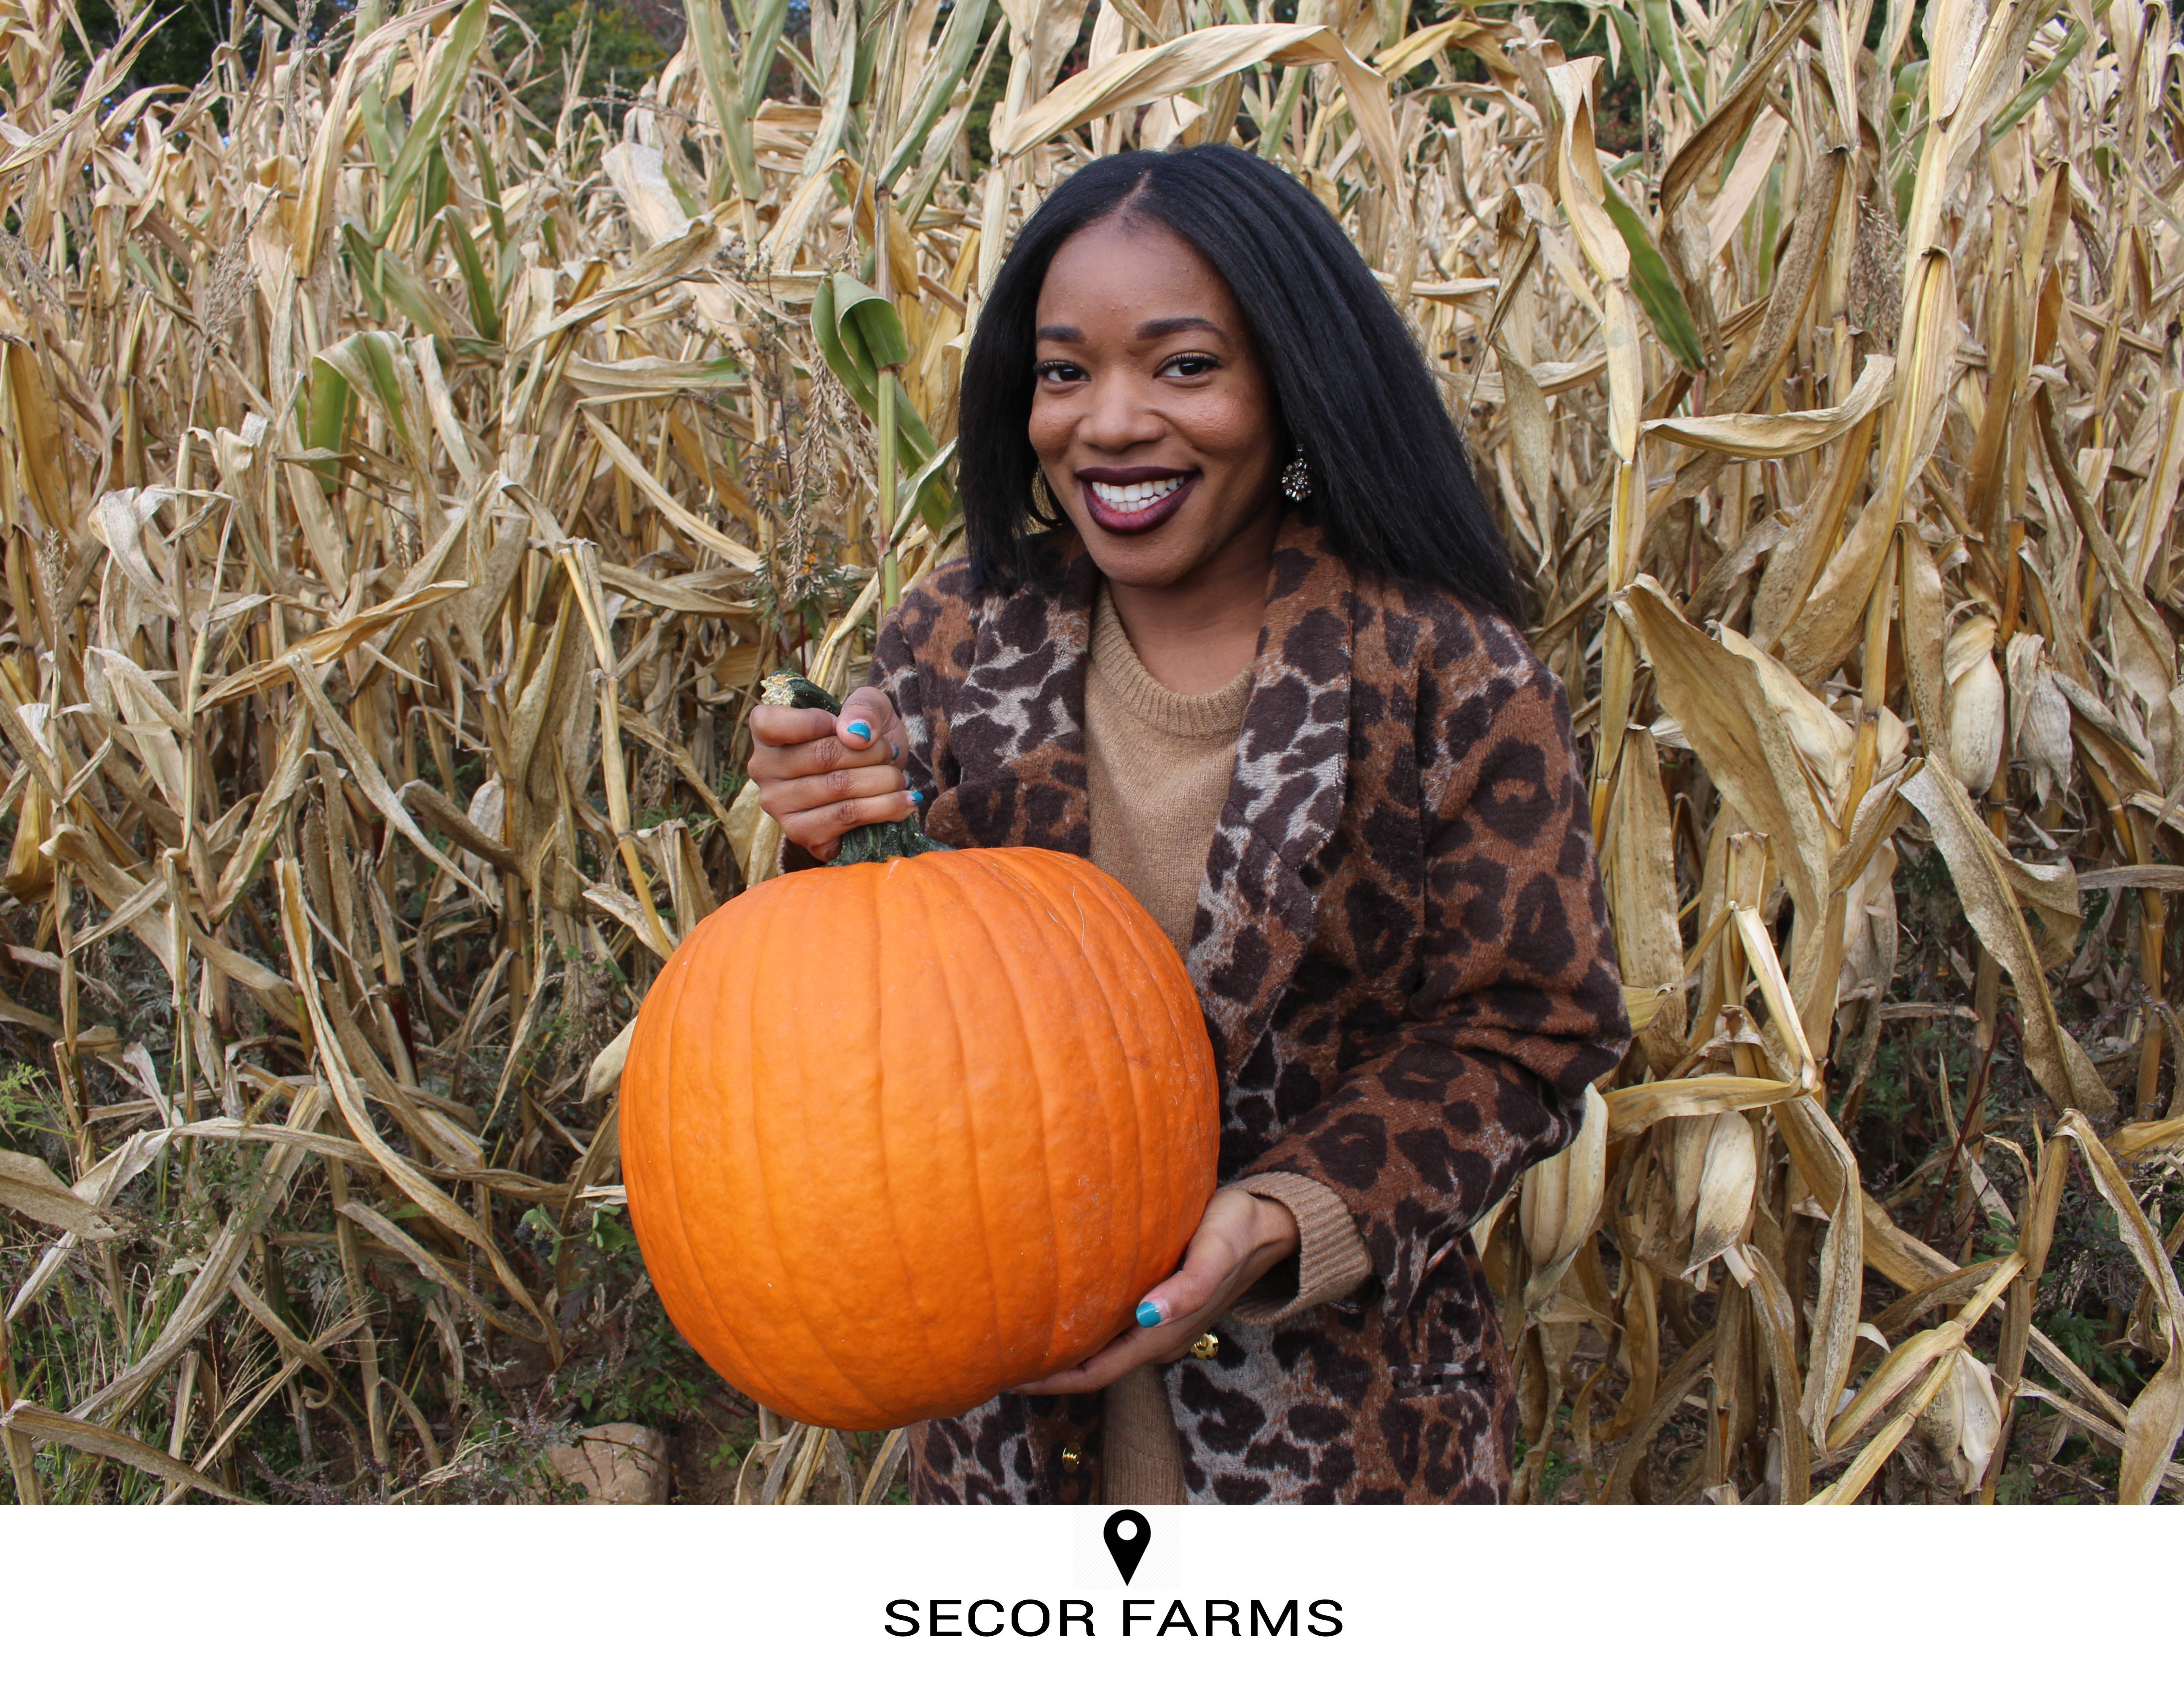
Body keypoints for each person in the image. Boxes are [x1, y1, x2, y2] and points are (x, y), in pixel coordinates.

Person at [745, 145, 1627, 1503]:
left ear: (1293, 380)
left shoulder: (1446, 675)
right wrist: (829, 827)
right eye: (1064, 370)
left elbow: (1532, 1030)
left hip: (1344, 1446)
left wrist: (1285, 1218)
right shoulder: (957, 634)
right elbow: (877, 1008)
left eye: (1182, 366)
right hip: (1007, 1451)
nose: (1109, 422)